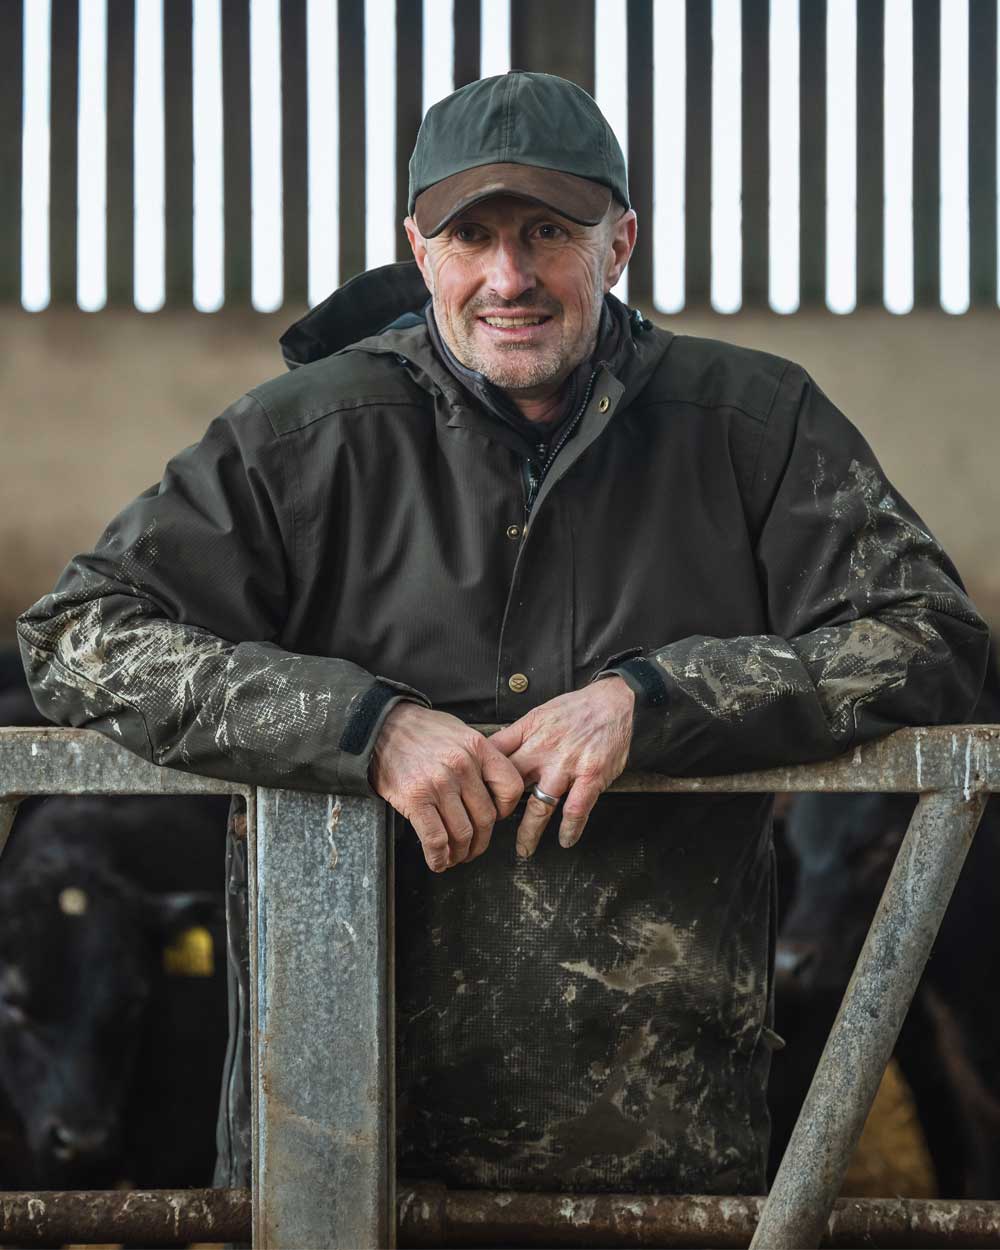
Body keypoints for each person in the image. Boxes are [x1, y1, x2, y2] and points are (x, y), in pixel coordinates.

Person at [17, 71, 988, 1195]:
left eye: (548, 232)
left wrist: (658, 700)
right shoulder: (305, 435)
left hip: (648, 1140)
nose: (509, 277)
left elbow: (931, 638)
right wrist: (361, 725)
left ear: (618, 242)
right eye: (470, 235)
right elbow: (79, 634)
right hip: (342, 1141)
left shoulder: (752, 425)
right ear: (418, 250)